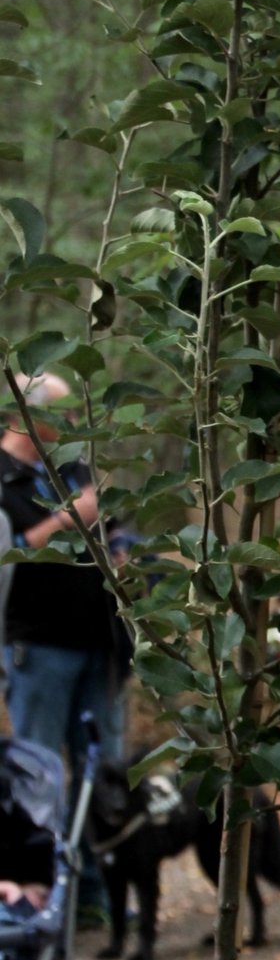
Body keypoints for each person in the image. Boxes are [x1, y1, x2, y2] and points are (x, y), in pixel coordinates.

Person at [0, 372, 125, 922]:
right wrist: (71, 517)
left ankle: (100, 895)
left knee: (102, 773)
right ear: (24, 419)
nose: (72, 423)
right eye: (64, 413)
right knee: (42, 778)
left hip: (98, 641)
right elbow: (16, 549)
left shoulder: (72, 468)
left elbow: (110, 526)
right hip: (39, 647)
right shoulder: (2, 478)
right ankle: (39, 900)